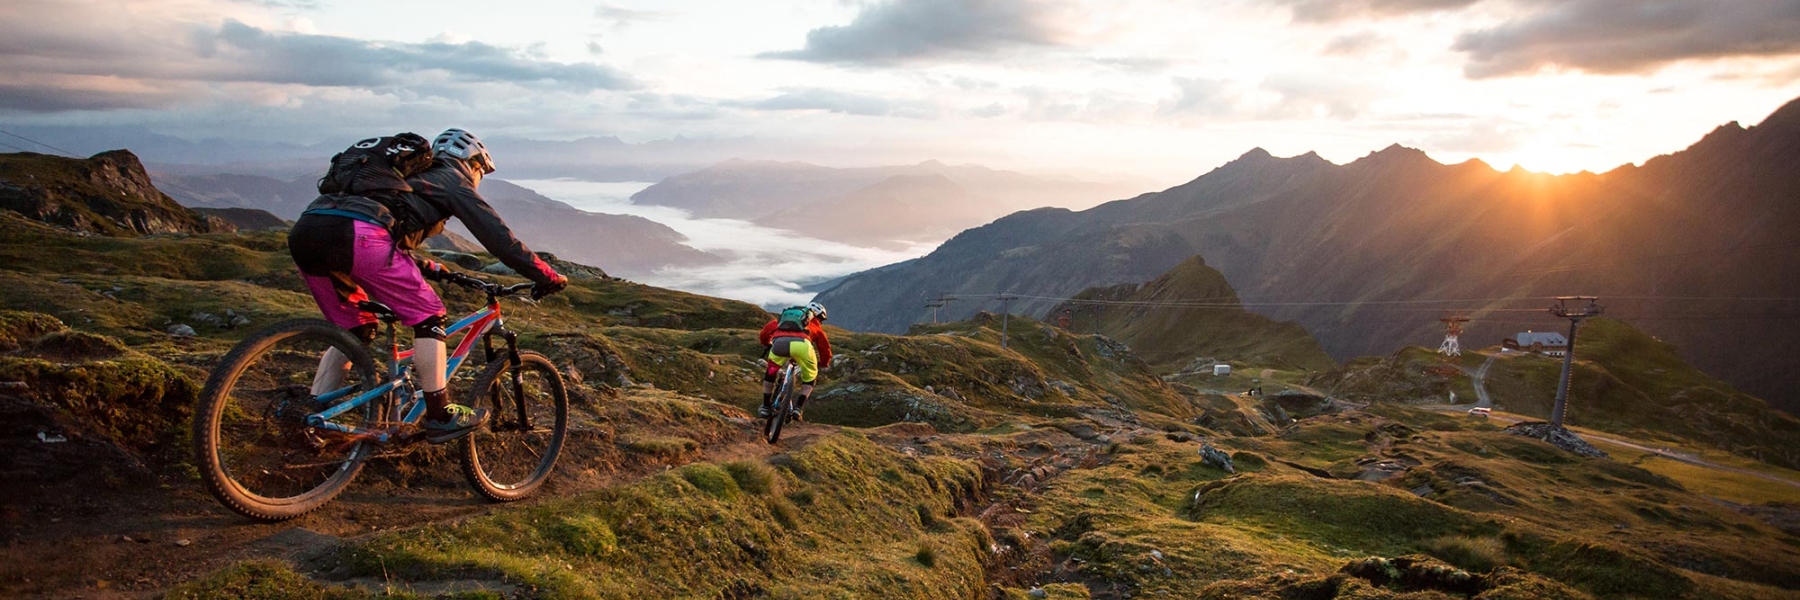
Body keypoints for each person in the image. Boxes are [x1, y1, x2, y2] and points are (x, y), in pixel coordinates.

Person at [290, 129, 567, 443]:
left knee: (353, 330)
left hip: (308, 231)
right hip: (359, 235)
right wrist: (547, 276)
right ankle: (440, 413)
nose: (479, 178)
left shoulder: (402, 178)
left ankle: (309, 417)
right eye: (481, 172)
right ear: (473, 163)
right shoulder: (453, 178)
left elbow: (389, 227)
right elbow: (499, 238)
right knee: (430, 316)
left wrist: (430, 267)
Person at [757, 301, 833, 420]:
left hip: (779, 344)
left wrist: (766, 343)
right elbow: (825, 348)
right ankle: (798, 408)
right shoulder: (815, 327)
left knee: (771, 372)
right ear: (819, 317)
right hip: (803, 347)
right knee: (810, 376)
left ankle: (766, 406)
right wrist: (824, 364)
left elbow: (765, 333)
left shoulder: (783, 320)